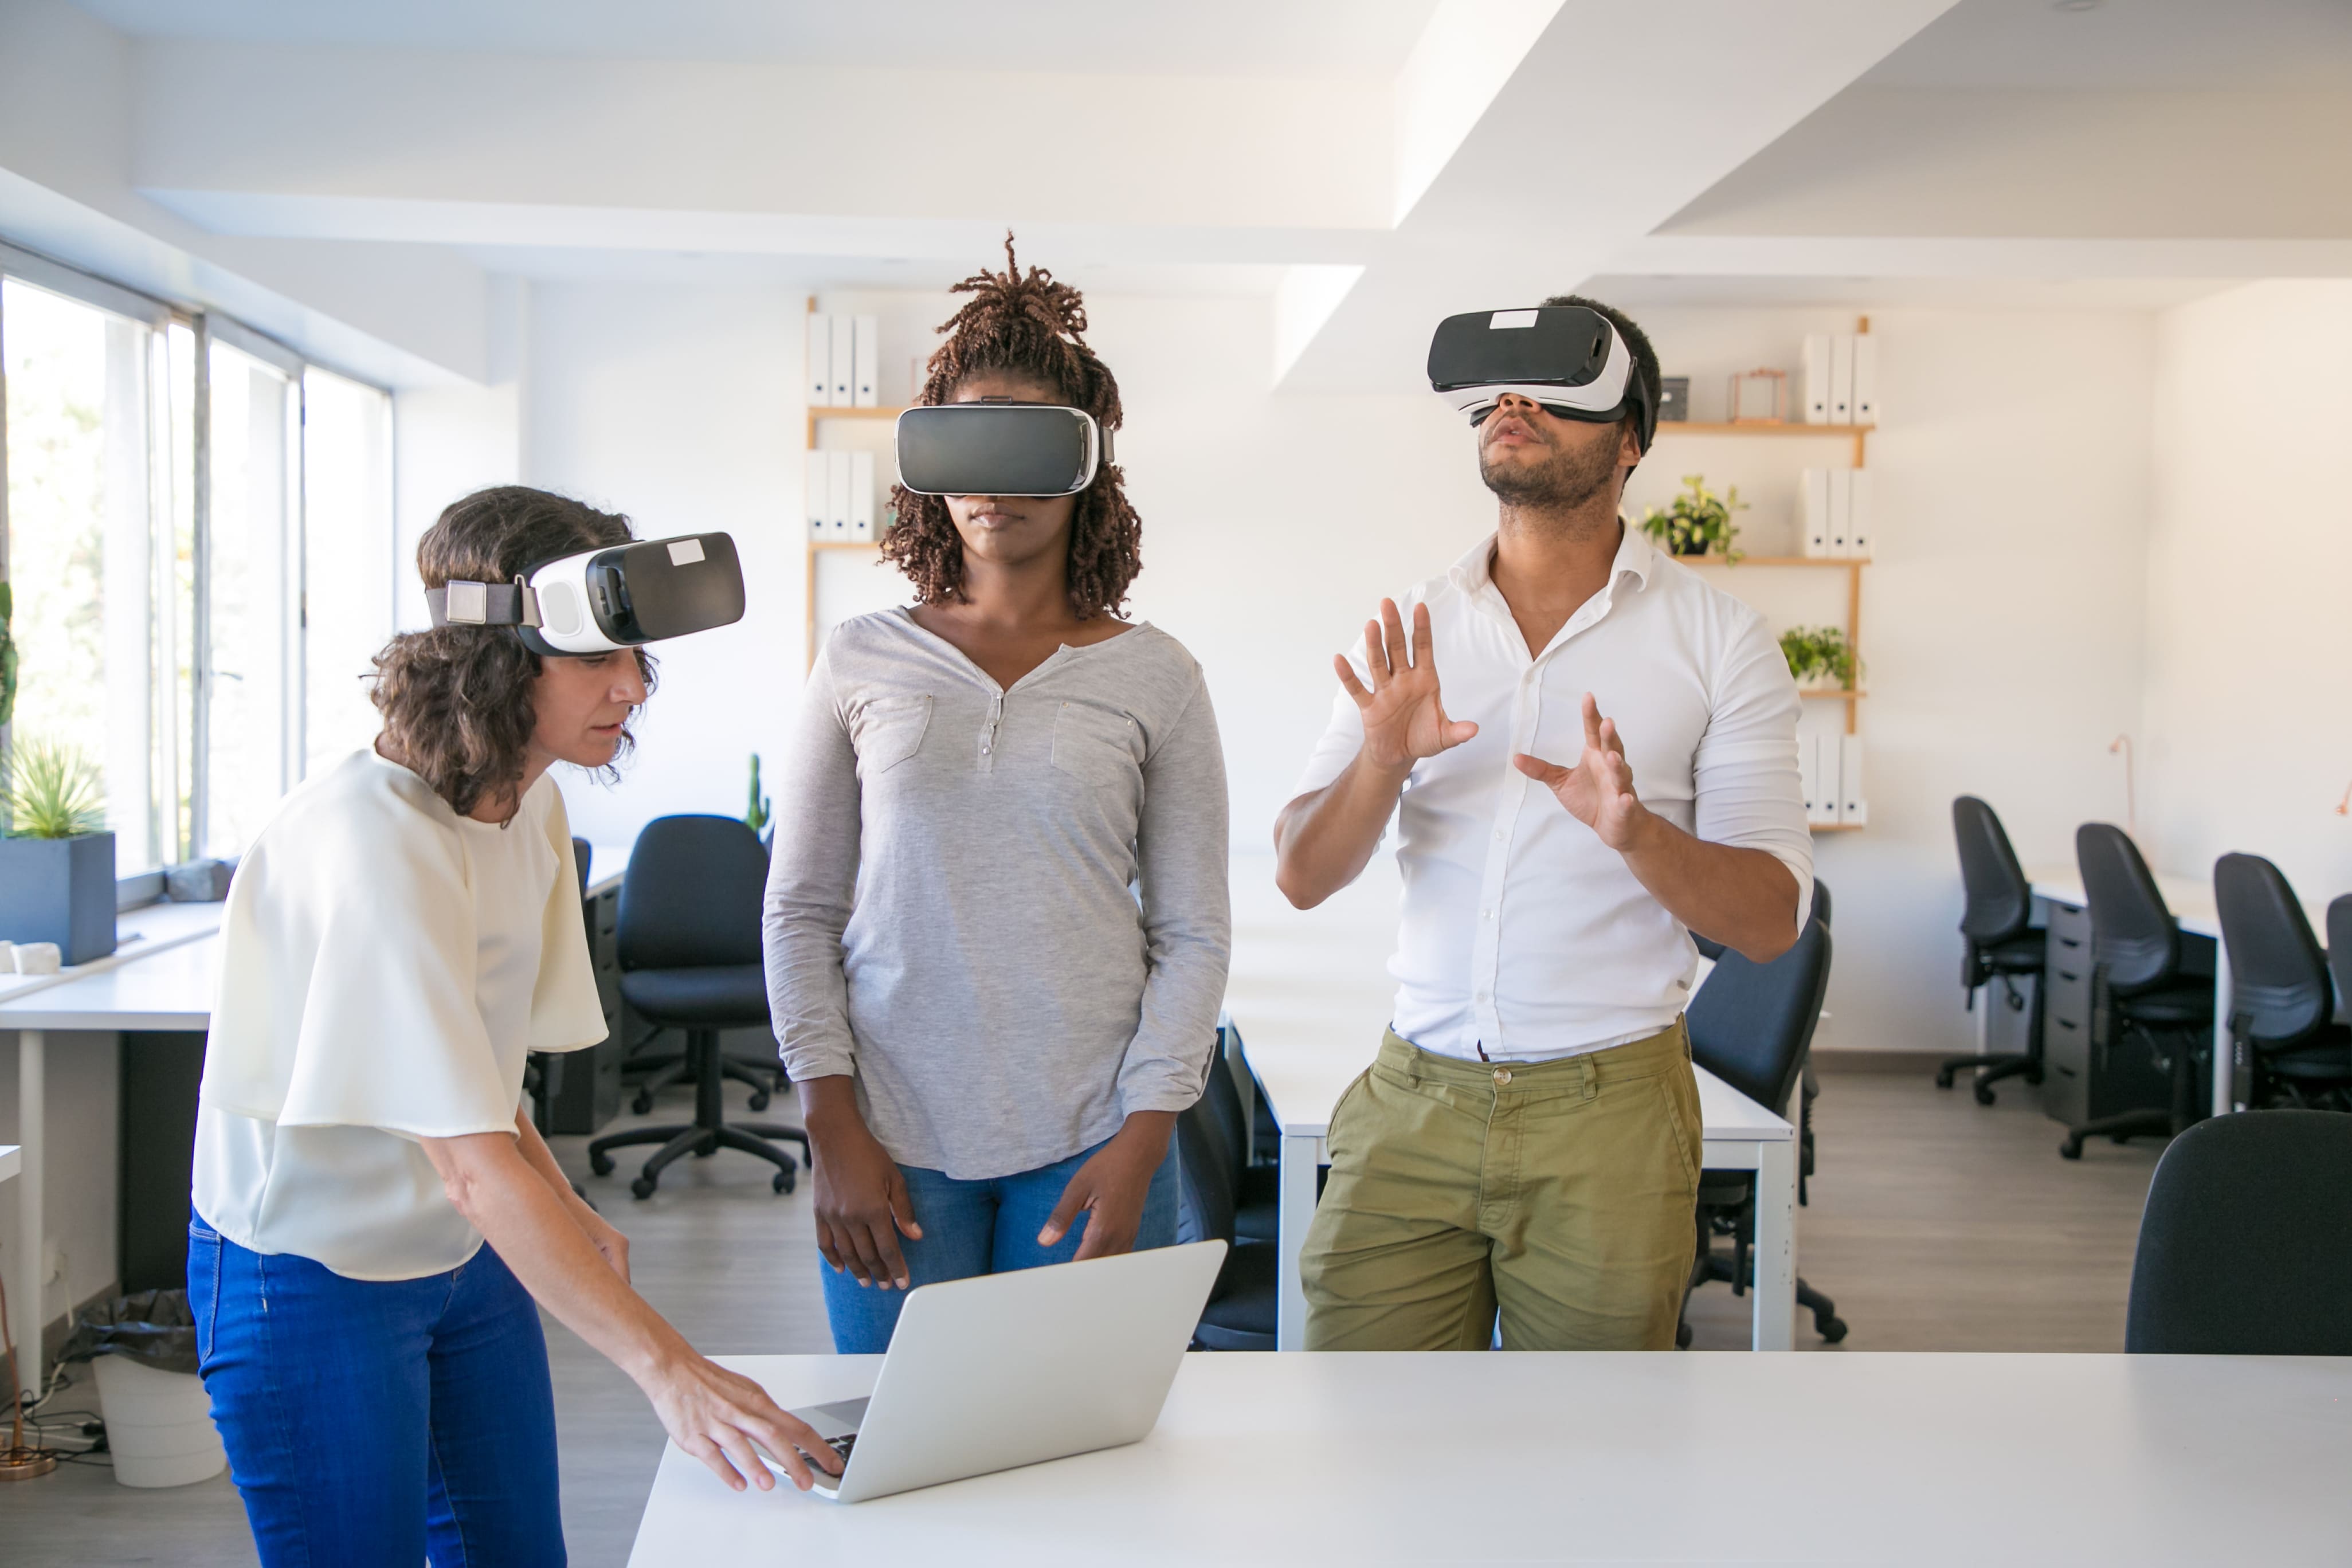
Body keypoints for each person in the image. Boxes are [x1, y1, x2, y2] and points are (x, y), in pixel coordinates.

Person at [189, 487, 840, 1568]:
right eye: (596, 662)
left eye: (635, 662)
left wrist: (564, 1195)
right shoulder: (373, 846)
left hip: (458, 1248)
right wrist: (671, 1371)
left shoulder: (528, 802)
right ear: (492, 660)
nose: (630, 690)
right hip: (311, 1271)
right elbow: (473, 1162)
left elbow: (478, 1082)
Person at [1273, 296, 1813, 1352]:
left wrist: (1640, 837)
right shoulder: (1410, 631)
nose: (1512, 407)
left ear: (1632, 439)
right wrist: (1382, 763)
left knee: (1589, 1467)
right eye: (1496, 393)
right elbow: (1300, 874)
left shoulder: (1721, 642)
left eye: (1557, 391)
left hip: (1610, 1115)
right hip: (1411, 1099)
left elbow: (1771, 924)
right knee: (1368, 1444)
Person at [765, 240, 1230, 1353]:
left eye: (1030, 446)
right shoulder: (858, 660)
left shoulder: (1157, 675)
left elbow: (1193, 929)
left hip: (1090, 1142)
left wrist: (1146, 1136)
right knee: (900, 1465)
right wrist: (830, 1125)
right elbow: (801, 911)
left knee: (1072, 1467)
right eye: (970, 441)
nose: (996, 481)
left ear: (1087, 466)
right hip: (887, 1139)